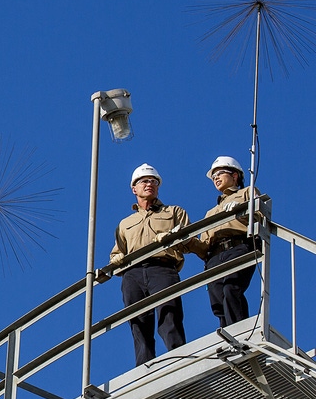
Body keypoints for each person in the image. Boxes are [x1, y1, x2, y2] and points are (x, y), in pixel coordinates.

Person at [110, 163, 205, 367]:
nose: (149, 184)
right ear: (134, 188)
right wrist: (115, 260)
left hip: (162, 267)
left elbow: (189, 239)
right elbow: (117, 252)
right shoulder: (125, 224)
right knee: (138, 321)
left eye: (153, 181)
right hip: (133, 273)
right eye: (144, 181)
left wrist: (174, 237)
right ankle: (145, 367)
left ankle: (179, 359)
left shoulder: (173, 212)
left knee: (169, 313)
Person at [201, 156, 260, 328]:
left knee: (231, 287)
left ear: (235, 176)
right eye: (213, 177)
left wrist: (241, 211)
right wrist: (183, 241)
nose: (216, 178)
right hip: (215, 255)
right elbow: (203, 245)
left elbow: (260, 217)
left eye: (220, 173)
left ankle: (239, 332)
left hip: (239, 245)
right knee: (218, 297)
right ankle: (227, 334)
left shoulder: (247, 193)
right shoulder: (210, 213)